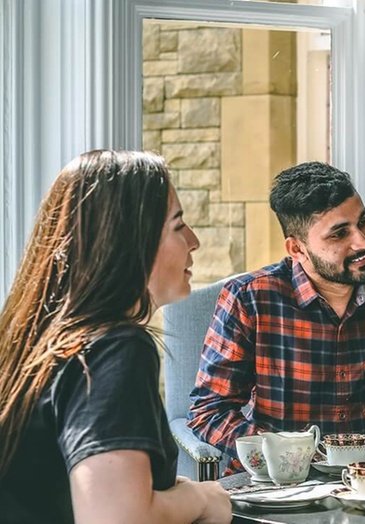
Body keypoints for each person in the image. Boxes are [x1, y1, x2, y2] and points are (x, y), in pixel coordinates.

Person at [0, 150, 231, 524]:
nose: (194, 241)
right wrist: (198, 500)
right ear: (129, 240)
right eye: (177, 225)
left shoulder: (38, 341)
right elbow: (115, 518)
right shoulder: (114, 348)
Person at [187, 161, 365, 472]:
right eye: (339, 233)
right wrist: (283, 456)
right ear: (297, 249)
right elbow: (210, 410)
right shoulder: (249, 298)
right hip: (274, 491)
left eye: (363, 221)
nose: (363, 241)